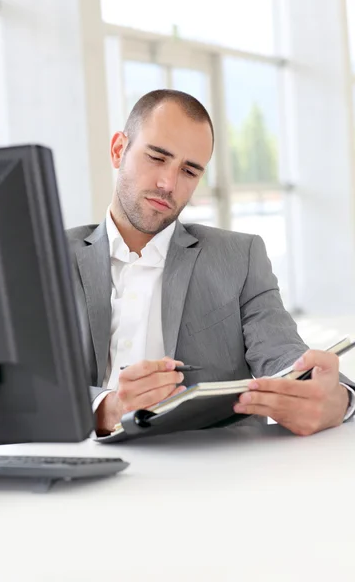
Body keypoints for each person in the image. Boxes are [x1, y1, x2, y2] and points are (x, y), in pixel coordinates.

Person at [67, 89, 355, 437]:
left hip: (216, 478)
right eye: (157, 158)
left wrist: (339, 398)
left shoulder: (239, 257)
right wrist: (105, 408)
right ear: (118, 150)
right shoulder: (48, 257)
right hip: (87, 476)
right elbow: (18, 391)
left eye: (189, 171)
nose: (168, 184)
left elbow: (287, 359)